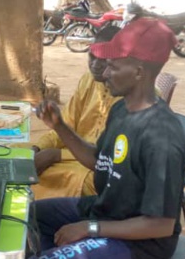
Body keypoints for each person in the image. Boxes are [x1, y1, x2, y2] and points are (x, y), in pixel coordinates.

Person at [27, 18, 185, 259]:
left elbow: (160, 225)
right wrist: (59, 126)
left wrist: (90, 228)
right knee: (29, 219)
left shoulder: (161, 137)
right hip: (108, 212)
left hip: (141, 241)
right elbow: (99, 161)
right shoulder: (122, 109)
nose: (105, 73)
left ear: (139, 72)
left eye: (113, 66)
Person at [30, 25, 120, 199]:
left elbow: (111, 159)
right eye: (91, 57)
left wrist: (57, 155)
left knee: (37, 179)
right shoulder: (88, 79)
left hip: (98, 169)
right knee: (16, 156)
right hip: (75, 156)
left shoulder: (130, 98)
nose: (95, 65)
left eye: (103, 61)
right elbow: (65, 125)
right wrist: (38, 148)